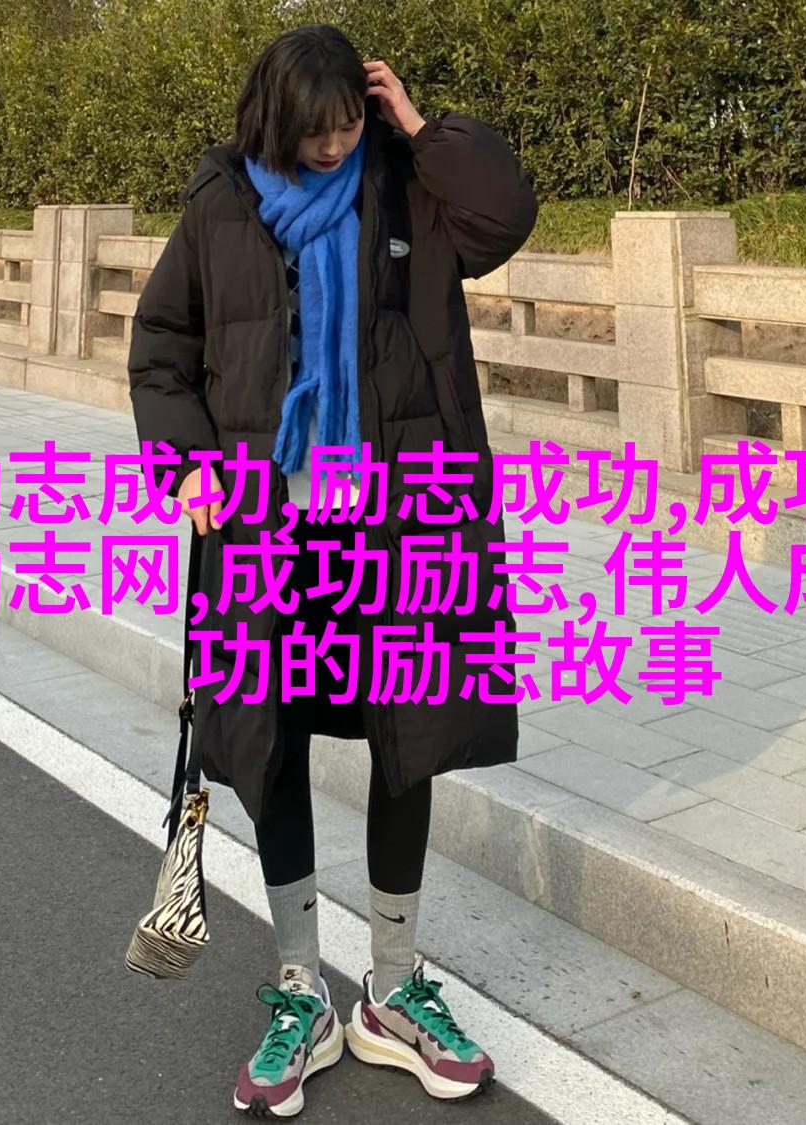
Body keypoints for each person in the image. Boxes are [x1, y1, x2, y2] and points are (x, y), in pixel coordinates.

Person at [127, 21, 538, 1118]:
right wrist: (186, 465)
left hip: (403, 524)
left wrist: (419, 126)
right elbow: (162, 349)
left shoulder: (408, 184)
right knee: (273, 740)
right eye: (315, 129)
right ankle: (302, 987)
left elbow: (504, 218)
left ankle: (394, 990)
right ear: (273, 118)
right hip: (264, 530)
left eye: (350, 122)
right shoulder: (221, 203)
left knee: (411, 736)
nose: (333, 145)